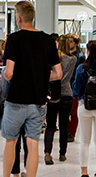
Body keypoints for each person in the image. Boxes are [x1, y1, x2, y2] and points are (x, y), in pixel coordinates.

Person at [0, 2, 62, 177]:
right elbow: (58, 73)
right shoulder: (48, 41)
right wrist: (41, 77)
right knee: (33, 144)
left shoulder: (14, 39)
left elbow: (9, 72)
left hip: (16, 100)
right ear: (33, 17)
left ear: (18, 18)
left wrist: (9, 77)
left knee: (11, 141)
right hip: (38, 101)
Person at [44, 35, 76, 165]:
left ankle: (47, 152)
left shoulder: (54, 59)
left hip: (54, 94)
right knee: (64, 125)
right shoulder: (73, 59)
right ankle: (62, 153)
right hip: (67, 93)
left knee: (50, 125)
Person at [73, 40, 96, 177]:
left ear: (87, 51)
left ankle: (84, 173)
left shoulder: (81, 69)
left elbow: (76, 91)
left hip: (84, 106)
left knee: (84, 141)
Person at [67, 33, 86, 142]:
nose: (69, 44)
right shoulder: (63, 56)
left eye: (71, 41)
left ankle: (71, 133)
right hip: (65, 86)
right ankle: (67, 130)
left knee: (74, 112)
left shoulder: (80, 57)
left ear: (76, 43)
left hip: (74, 86)